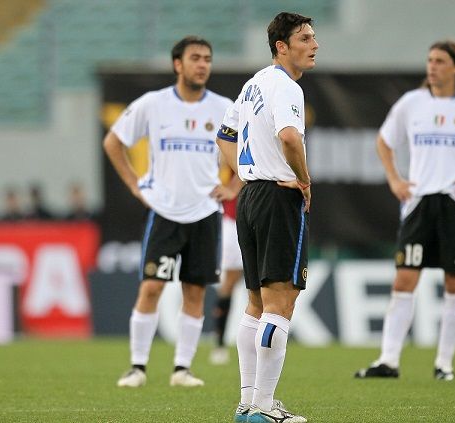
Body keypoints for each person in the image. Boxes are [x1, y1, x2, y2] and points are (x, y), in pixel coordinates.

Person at [355, 40, 455, 382]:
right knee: (404, 278)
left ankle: (444, 363)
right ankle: (388, 360)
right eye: (430, 60)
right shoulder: (411, 103)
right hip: (418, 201)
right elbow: (385, 141)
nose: (432, 66)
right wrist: (395, 179)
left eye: (440, 61)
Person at [103, 35, 232, 388]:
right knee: (151, 288)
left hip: (205, 212)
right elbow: (113, 141)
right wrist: (134, 184)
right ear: (178, 64)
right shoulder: (153, 104)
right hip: (164, 211)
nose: (203, 64)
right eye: (195, 58)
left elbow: (248, 150)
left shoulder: (223, 107)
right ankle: (137, 367)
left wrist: (234, 185)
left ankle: (182, 369)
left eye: (207, 58)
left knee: (195, 292)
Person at [216, 12, 318, 423]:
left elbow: (224, 135)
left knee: (255, 303)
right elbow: (290, 137)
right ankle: (262, 406)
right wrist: (305, 180)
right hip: (278, 197)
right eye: (305, 38)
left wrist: (243, 175)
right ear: (282, 46)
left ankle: (247, 403)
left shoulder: (253, 83)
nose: (314, 44)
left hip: (251, 198)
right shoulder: (286, 87)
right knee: (280, 303)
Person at [210, 165, 245, 365]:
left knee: (257, 282)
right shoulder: (235, 136)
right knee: (230, 281)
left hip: (259, 216)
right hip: (234, 220)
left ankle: (259, 342)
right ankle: (220, 342)